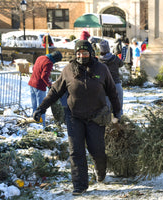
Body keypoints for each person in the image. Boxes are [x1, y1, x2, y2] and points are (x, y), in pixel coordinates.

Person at [32, 40, 121, 196]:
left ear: (91, 53)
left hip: (97, 116)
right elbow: (55, 91)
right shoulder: (68, 70)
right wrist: (41, 108)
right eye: (78, 53)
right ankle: (80, 185)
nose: (81, 55)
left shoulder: (102, 68)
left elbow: (112, 92)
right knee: (76, 151)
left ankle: (101, 172)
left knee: (97, 150)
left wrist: (117, 113)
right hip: (74, 116)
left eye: (85, 52)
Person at [28, 51, 63, 127]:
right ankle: (42, 125)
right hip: (39, 86)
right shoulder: (49, 62)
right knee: (41, 107)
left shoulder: (40, 57)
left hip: (32, 83)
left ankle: (34, 123)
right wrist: (49, 85)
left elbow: (34, 68)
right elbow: (44, 76)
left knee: (34, 106)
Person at [99, 40, 124, 118]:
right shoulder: (115, 58)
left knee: (106, 108)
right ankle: (118, 124)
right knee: (118, 107)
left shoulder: (99, 61)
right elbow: (121, 64)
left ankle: (108, 126)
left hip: (105, 86)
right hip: (116, 84)